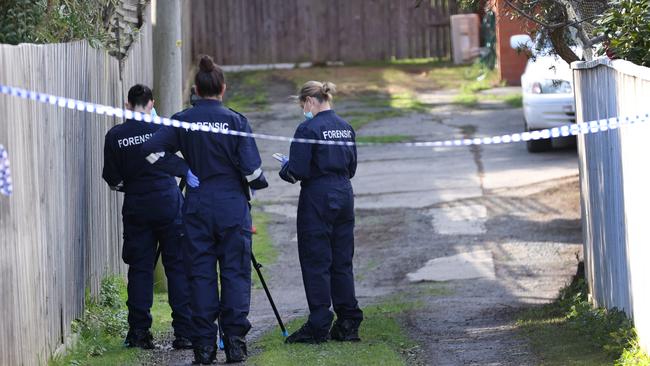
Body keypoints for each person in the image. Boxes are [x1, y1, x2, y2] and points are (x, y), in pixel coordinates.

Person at [142, 55, 268, 365]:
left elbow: (151, 151)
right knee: (236, 273)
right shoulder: (237, 121)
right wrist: (255, 182)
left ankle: (204, 347)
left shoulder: (183, 119)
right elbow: (253, 171)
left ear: (196, 89)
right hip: (232, 207)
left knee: (199, 275)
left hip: (197, 206)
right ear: (222, 88)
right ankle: (235, 343)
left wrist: (183, 169)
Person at [102, 84, 194, 350]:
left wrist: (130, 184)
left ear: (128, 104)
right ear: (152, 104)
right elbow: (181, 162)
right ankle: (185, 333)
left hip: (137, 207)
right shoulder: (163, 129)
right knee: (177, 267)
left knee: (140, 270)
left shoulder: (116, 136)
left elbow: (112, 179)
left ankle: (139, 333)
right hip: (168, 203)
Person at [279, 81, 363, 344]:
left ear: (309, 102)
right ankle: (348, 321)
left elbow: (299, 170)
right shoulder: (345, 127)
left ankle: (318, 323)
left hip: (317, 196)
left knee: (316, 260)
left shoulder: (307, 128)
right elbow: (351, 168)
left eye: (302, 105)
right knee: (341, 259)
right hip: (343, 193)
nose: (303, 110)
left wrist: (286, 167)